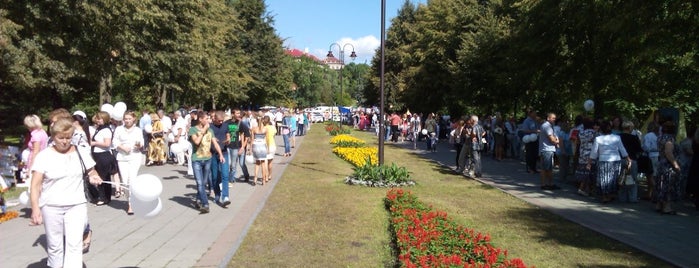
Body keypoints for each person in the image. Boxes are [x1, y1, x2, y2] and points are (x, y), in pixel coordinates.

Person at [29, 118, 103, 268]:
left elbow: (91, 170)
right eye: (60, 138)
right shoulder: (44, 156)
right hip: (51, 205)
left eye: (68, 137)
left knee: (74, 244)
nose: (65, 141)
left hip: (76, 204)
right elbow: (35, 185)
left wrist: (94, 176)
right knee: (55, 245)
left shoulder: (80, 152)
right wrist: (35, 209)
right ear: (53, 136)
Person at [189, 111, 225, 213]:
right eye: (206, 118)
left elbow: (215, 143)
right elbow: (196, 141)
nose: (208, 120)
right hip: (197, 160)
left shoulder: (210, 130)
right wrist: (204, 130)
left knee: (204, 183)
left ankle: (198, 199)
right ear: (200, 119)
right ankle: (205, 204)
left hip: (208, 159)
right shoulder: (193, 130)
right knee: (200, 183)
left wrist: (221, 154)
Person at [589, 121, 631, 203]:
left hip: (603, 160)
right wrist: (628, 159)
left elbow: (594, 152)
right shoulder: (617, 138)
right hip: (615, 160)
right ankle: (610, 194)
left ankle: (605, 196)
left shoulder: (598, 139)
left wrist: (589, 162)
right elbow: (622, 150)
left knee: (604, 179)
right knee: (613, 178)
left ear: (601, 130)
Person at [113, 111, 144, 215]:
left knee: (132, 180)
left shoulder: (138, 130)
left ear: (134, 119)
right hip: (122, 157)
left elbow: (141, 142)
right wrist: (122, 147)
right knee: (125, 182)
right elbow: (115, 141)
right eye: (125, 118)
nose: (127, 120)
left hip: (134, 157)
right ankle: (129, 199)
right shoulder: (119, 129)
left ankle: (131, 204)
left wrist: (139, 146)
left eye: (129, 118)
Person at [653, 121, 681, 214]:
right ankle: (666, 207)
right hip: (668, 165)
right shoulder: (670, 139)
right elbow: (668, 153)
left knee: (661, 184)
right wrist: (675, 164)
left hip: (661, 163)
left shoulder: (660, 137)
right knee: (668, 185)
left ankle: (659, 205)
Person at [90, 111, 115, 206]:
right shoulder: (99, 129)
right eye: (97, 118)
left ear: (104, 119)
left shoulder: (106, 130)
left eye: (99, 118)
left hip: (103, 155)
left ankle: (104, 197)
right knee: (102, 175)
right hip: (98, 155)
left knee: (102, 176)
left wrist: (95, 143)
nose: (97, 120)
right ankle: (104, 197)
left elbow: (107, 144)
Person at [209, 110, 231, 207]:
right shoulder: (210, 127)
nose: (221, 122)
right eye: (219, 121)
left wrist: (228, 140)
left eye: (222, 120)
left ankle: (225, 197)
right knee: (215, 177)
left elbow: (228, 134)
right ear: (215, 118)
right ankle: (217, 195)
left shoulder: (225, 125)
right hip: (213, 154)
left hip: (224, 152)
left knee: (225, 175)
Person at [619, 121, 643, 202]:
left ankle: (622, 197)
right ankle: (633, 198)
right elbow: (639, 149)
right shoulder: (634, 138)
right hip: (632, 159)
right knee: (632, 179)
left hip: (620, 159)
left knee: (621, 178)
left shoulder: (618, 137)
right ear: (629, 128)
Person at [23, 114, 49, 183]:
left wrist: (30, 169)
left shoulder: (35, 136)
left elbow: (35, 152)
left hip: (36, 163)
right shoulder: (42, 132)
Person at [575, 118, 598, 196]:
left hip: (582, 154)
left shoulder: (581, 133)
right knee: (589, 173)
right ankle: (582, 188)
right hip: (590, 155)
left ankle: (586, 189)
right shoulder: (593, 133)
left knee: (584, 172)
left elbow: (577, 142)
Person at [227, 109, 251, 183]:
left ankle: (246, 176)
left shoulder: (241, 124)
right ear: (232, 114)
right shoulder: (227, 123)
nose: (239, 115)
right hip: (230, 146)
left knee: (241, 163)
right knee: (231, 164)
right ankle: (231, 179)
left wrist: (243, 147)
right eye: (237, 113)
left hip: (239, 146)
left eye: (239, 113)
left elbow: (247, 136)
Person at [539, 113, 560, 190]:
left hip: (545, 149)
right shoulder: (547, 126)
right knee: (548, 168)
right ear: (548, 118)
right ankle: (549, 184)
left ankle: (545, 184)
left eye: (555, 118)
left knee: (544, 168)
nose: (554, 119)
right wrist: (557, 142)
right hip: (547, 149)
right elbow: (551, 138)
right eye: (553, 118)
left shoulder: (547, 126)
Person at [642, 122, 660, 200]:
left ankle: (656, 193)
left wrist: (642, 147)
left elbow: (646, 147)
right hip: (658, 156)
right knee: (655, 176)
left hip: (651, 157)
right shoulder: (659, 136)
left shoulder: (648, 135)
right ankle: (650, 194)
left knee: (650, 176)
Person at [251, 115, 270, 185]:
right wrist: (267, 148)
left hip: (256, 145)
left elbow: (252, 139)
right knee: (263, 163)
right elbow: (266, 140)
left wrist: (250, 149)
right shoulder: (265, 129)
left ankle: (255, 179)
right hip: (263, 146)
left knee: (257, 163)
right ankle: (263, 180)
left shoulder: (254, 129)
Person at [264, 115, 277, 182]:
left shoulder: (264, 128)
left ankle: (266, 176)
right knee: (270, 162)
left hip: (265, 146)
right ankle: (269, 175)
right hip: (272, 145)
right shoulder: (273, 127)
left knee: (265, 162)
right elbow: (274, 135)